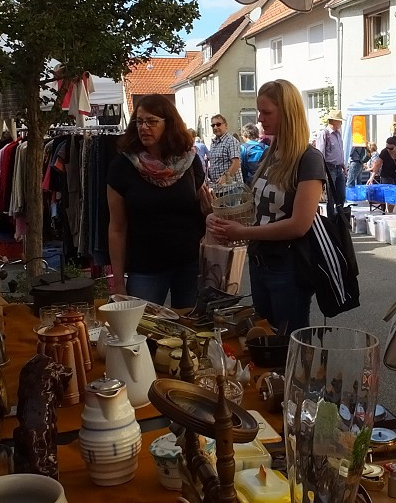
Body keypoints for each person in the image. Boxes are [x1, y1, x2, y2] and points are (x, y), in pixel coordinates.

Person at [206, 80, 324, 332]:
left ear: (288, 113)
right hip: (260, 262)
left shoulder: (309, 158)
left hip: (288, 267)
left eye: (267, 112)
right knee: (265, 340)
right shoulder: (272, 153)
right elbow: (258, 210)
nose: (260, 119)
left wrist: (243, 232)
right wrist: (220, 219)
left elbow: (299, 225)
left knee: (288, 347)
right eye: (259, 111)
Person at [107, 95, 209, 308]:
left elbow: (199, 207)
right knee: (143, 331)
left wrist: (209, 207)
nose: (144, 127)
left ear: (168, 123)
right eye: (140, 121)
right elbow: (117, 227)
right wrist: (118, 281)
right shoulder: (122, 166)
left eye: (152, 121)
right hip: (146, 268)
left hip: (190, 264)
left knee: (191, 332)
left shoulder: (189, 161)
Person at [314, 110, 347, 219]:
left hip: (338, 168)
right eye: (339, 121)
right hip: (329, 168)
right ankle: (332, 219)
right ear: (333, 121)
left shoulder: (338, 134)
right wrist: (322, 171)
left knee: (341, 195)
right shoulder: (324, 134)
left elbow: (340, 151)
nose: (341, 124)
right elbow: (320, 153)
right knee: (331, 196)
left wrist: (343, 165)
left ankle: (340, 217)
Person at [367, 136, 396, 212]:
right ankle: (389, 212)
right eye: (387, 148)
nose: (389, 150)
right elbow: (378, 165)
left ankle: (389, 211)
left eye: (391, 148)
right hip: (386, 176)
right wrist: (372, 177)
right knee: (390, 195)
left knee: (395, 195)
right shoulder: (384, 152)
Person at [207, 115, 241, 187]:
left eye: (218, 124)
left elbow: (236, 163)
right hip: (218, 187)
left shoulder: (231, 141)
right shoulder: (213, 143)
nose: (215, 127)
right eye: (213, 125)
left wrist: (225, 177)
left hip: (231, 188)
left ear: (225, 125)